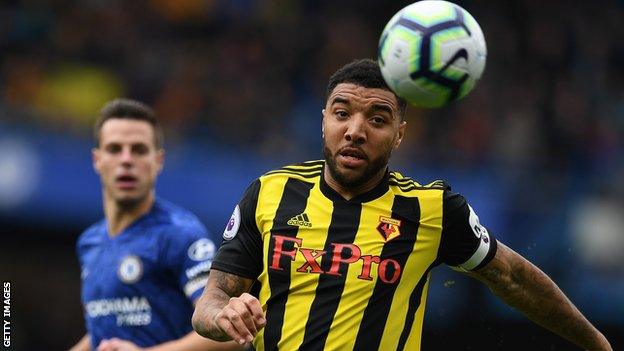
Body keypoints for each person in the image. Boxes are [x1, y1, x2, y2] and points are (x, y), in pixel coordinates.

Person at [191, 59, 612, 350]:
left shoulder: (431, 209)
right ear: (323, 120)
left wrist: (596, 343)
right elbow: (210, 302)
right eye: (342, 113)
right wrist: (224, 314)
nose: (355, 130)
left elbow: (513, 277)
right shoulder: (269, 193)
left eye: (377, 119)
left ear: (399, 134)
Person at [70, 99, 241, 351]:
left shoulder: (181, 235)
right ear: (97, 160)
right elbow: (102, 326)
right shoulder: (89, 242)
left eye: (138, 150)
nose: (126, 160)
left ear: (158, 161)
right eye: (115, 149)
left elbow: (229, 334)